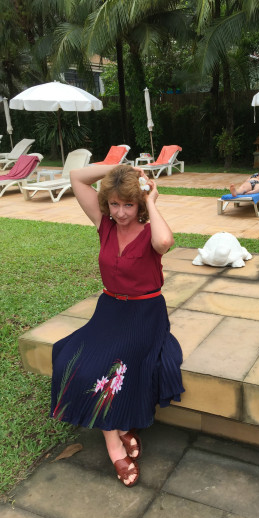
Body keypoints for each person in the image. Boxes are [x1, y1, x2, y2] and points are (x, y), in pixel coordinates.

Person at [50, 163, 184, 488]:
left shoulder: (149, 230)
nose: (121, 212)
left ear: (139, 204)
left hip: (145, 312)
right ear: (106, 203)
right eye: (114, 204)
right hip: (109, 309)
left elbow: (165, 241)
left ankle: (117, 439)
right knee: (75, 359)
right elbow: (77, 177)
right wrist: (122, 168)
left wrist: (151, 199)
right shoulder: (104, 225)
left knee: (115, 365)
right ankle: (117, 436)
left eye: (128, 204)